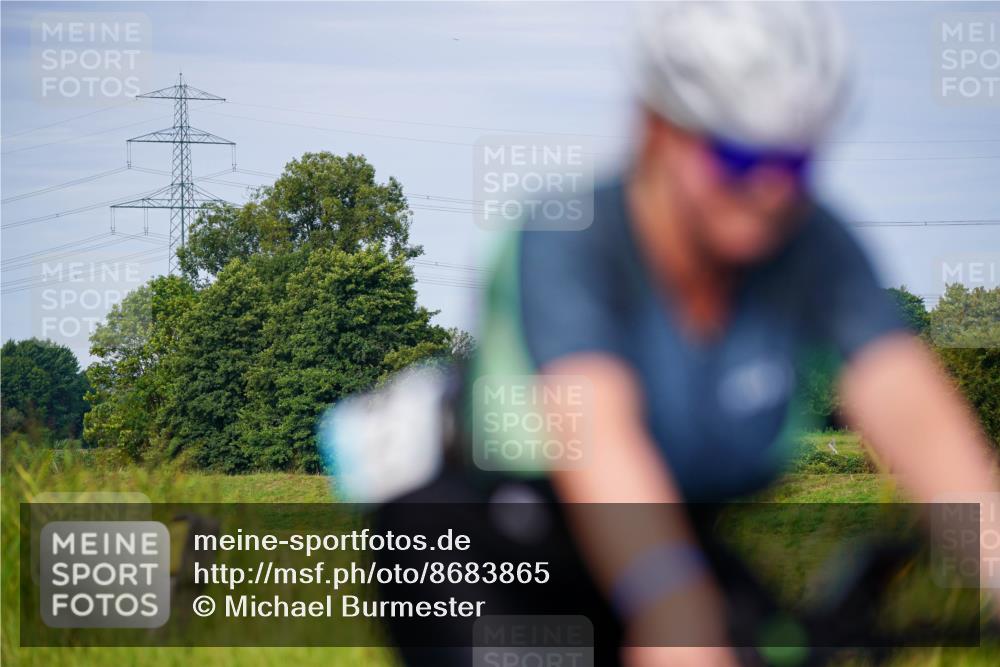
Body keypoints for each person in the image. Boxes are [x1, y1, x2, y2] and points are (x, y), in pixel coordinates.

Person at [325, 3, 1000, 665]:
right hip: (478, 532)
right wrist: (670, 606)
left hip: (661, 518)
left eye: (793, 163)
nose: (769, 190)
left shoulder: (813, 243)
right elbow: (596, 434)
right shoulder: (574, 237)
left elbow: (916, 415)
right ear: (658, 130)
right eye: (737, 158)